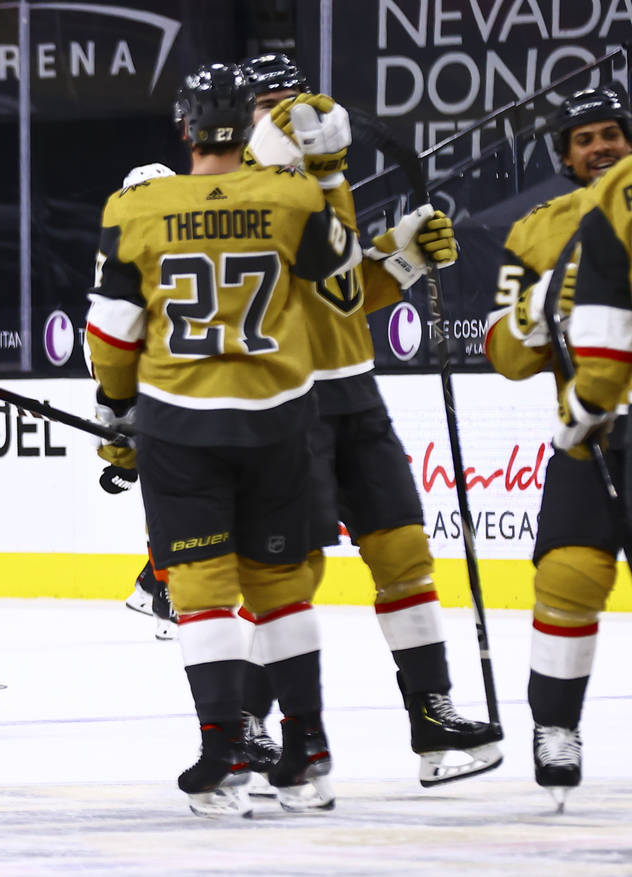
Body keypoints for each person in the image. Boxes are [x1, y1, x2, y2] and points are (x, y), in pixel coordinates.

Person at [86, 62, 364, 816]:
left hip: (182, 423)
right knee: (280, 587)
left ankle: (225, 746)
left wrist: (116, 412)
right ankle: (307, 752)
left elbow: (112, 334)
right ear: (248, 127)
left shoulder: (137, 207)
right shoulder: (291, 194)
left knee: (204, 591)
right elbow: (341, 277)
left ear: (183, 126)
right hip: (279, 416)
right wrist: (330, 175)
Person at [233, 51, 504, 789]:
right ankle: (248, 721)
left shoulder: (329, 181)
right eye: (270, 104)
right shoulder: (238, 194)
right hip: (289, 402)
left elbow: (343, 295)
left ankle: (432, 714)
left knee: (405, 550)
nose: (291, 113)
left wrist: (405, 260)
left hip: (357, 393)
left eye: (296, 97)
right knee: (293, 569)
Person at [485, 84, 632, 808]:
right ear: (565, 156)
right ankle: (556, 729)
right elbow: (507, 358)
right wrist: (534, 318)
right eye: (585, 138)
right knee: (568, 578)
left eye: (611, 133)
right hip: (591, 435)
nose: (601, 146)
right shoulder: (535, 230)